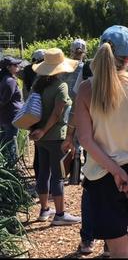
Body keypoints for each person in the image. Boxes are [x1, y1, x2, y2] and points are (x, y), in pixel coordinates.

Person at [75, 25, 128, 258]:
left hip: (101, 177)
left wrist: (115, 171)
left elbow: (85, 139)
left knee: (118, 252)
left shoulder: (85, 90)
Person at [30, 48, 81, 225]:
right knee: (58, 176)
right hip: (55, 137)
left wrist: (38, 131)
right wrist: (45, 130)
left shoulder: (37, 85)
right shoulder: (61, 86)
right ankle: (60, 215)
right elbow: (58, 113)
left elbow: (33, 110)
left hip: (40, 138)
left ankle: (44, 210)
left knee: (43, 173)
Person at [22, 49, 46, 179]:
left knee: (37, 147)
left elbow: (26, 97)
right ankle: (44, 179)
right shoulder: (42, 77)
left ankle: (39, 177)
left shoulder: (27, 74)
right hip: (43, 116)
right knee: (45, 150)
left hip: (31, 115)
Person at [0, 56, 23, 168]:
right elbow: (4, 100)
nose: (17, 66)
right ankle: (12, 168)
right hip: (11, 117)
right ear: (8, 67)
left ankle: (8, 167)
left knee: (6, 142)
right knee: (11, 144)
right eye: (15, 65)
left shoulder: (5, 79)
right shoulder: (10, 81)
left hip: (6, 116)